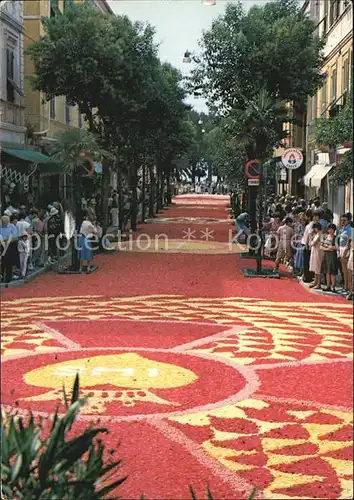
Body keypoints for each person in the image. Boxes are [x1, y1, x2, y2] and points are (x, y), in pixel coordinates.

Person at [0, 215, 18, 283]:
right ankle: (1, 278)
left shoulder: (12, 226)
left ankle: (8, 278)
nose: (4, 223)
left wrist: (5, 240)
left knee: (9, 263)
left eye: (5, 222)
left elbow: (15, 238)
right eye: (3, 222)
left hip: (10, 247)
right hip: (2, 246)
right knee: (2, 263)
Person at [321, 223, 338, 293]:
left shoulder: (336, 237)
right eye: (329, 229)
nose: (330, 230)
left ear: (334, 230)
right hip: (326, 255)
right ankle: (328, 286)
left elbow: (337, 247)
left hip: (333, 256)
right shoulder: (325, 237)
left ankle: (333, 287)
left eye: (332, 229)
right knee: (327, 271)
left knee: (332, 271)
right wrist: (328, 247)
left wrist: (328, 247)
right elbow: (321, 246)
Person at [338, 213, 352, 293]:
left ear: (348, 221)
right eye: (341, 220)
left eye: (344, 220)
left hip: (346, 250)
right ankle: (345, 286)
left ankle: (347, 287)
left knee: (347, 270)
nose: (342, 222)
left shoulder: (350, 229)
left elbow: (350, 242)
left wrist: (346, 252)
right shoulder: (342, 229)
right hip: (341, 249)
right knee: (343, 270)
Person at [309, 222, 324, 289]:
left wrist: (311, 242)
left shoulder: (320, 234)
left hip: (318, 252)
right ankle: (315, 282)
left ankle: (318, 283)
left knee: (318, 267)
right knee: (315, 267)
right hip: (315, 251)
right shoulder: (317, 234)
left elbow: (313, 243)